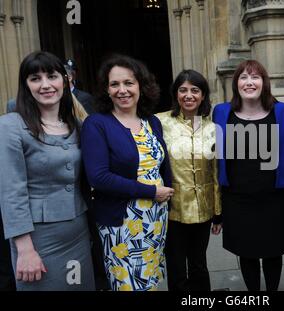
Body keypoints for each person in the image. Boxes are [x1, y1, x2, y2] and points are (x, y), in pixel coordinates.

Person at [0, 51, 95, 291]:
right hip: (38, 240)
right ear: (25, 85)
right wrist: (24, 249)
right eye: (35, 78)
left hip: (78, 233)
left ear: (64, 80)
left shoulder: (77, 124)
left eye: (52, 76)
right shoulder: (10, 125)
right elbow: (12, 191)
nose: (45, 85)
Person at [81, 54, 174, 291]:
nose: (122, 90)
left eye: (129, 83)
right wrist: (151, 191)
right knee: (129, 285)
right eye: (115, 84)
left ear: (141, 86)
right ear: (106, 89)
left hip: (154, 219)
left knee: (149, 280)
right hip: (122, 223)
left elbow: (160, 165)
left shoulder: (151, 121)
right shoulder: (96, 124)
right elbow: (99, 177)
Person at [213, 60, 284, 291]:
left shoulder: (282, 111)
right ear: (236, 83)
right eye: (243, 77)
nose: (249, 82)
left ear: (264, 83)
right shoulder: (221, 112)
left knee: (273, 251)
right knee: (246, 252)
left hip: (274, 198)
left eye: (255, 77)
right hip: (237, 198)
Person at [156, 69, 222, 291]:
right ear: (175, 94)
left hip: (203, 209)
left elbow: (215, 172)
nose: (188, 95)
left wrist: (218, 212)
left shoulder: (213, 128)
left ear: (203, 95)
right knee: (175, 266)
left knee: (199, 265)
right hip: (172, 208)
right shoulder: (160, 122)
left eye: (195, 90)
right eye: (183, 90)